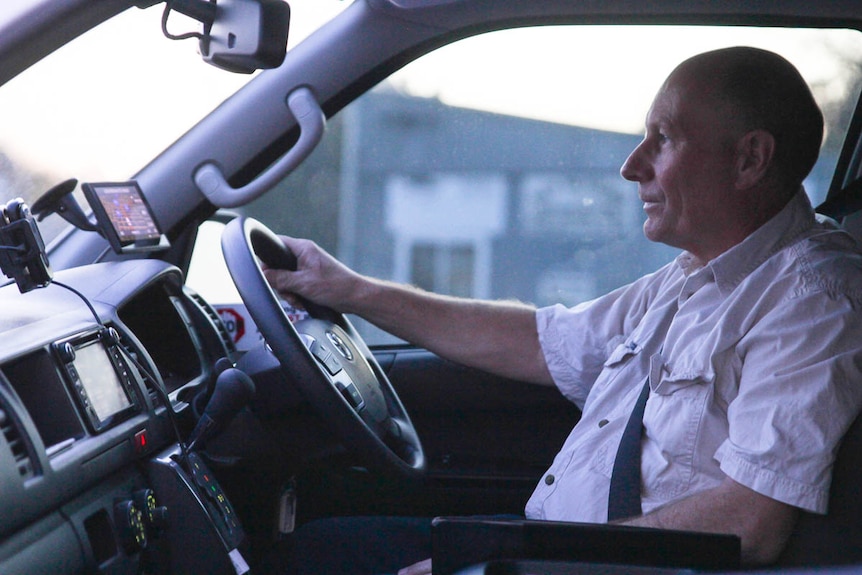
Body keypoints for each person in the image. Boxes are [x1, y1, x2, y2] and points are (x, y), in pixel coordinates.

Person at [263, 46, 862, 573]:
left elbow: (749, 522)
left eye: (665, 138)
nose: (633, 165)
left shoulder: (811, 300)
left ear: (750, 159)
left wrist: (531, 563)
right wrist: (345, 288)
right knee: (323, 546)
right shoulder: (696, 278)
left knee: (320, 556)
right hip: (564, 548)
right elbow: (543, 341)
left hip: (597, 564)